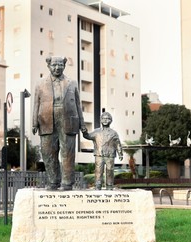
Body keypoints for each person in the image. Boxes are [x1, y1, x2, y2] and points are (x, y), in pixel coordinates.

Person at [32, 56, 87, 190]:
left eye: (60, 65)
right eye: (54, 65)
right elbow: (36, 104)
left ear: (64, 65)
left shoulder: (72, 83)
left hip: (68, 119)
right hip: (46, 119)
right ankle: (53, 182)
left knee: (67, 152)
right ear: (48, 66)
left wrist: (82, 123)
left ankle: (67, 183)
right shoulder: (40, 84)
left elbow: (78, 105)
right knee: (47, 152)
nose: (57, 68)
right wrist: (34, 123)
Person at [83, 112, 123, 190]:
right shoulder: (96, 131)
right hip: (99, 154)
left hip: (110, 155)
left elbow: (118, 144)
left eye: (107, 118)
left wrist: (120, 153)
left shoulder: (114, 133)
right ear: (100, 120)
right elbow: (88, 136)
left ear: (111, 120)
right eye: (103, 118)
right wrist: (84, 132)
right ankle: (98, 185)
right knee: (98, 170)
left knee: (110, 170)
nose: (105, 120)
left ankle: (109, 185)